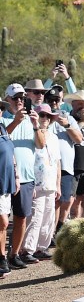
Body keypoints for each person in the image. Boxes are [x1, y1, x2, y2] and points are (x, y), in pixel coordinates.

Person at [3, 83, 45, 269]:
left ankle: (14, 254)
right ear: (7, 100)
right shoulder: (3, 119)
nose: (19, 101)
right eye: (15, 98)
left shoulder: (31, 120)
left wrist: (36, 126)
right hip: (5, 176)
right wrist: (16, 121)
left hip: (26, 177)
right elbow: (4, 137)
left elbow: (41, 145)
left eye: (22, 98)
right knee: (3, 219)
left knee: (21, 217)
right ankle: (1, 257)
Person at [21, 103, 60, 260]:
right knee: (35, 216)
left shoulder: (54, 137)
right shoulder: (30, 133)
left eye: (48, 116)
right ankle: (26, 249)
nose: (45, 118)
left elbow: (57, 162)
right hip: (36, 182)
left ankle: (41, 247)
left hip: (50, 182)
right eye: (42, 115)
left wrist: (58, 185)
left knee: (48, 216)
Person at [44, 86, 83, 238]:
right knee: (53, 202)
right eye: (51, 100)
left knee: (66, 201)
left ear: (60, 101)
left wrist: (66, 125)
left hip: (66, 166)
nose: (54, 103)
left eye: (57, 100)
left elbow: (79, 139)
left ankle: (58, 228)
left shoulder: (68, 117)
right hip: (48, 167)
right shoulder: (44, 116)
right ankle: (50, 235)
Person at [0, 110, 19, 278]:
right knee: (3, 222)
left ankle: (2, 257)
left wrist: (16, 175)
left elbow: (11, 154)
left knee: (3, 224)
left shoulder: (3, 128)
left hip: (6, 183)